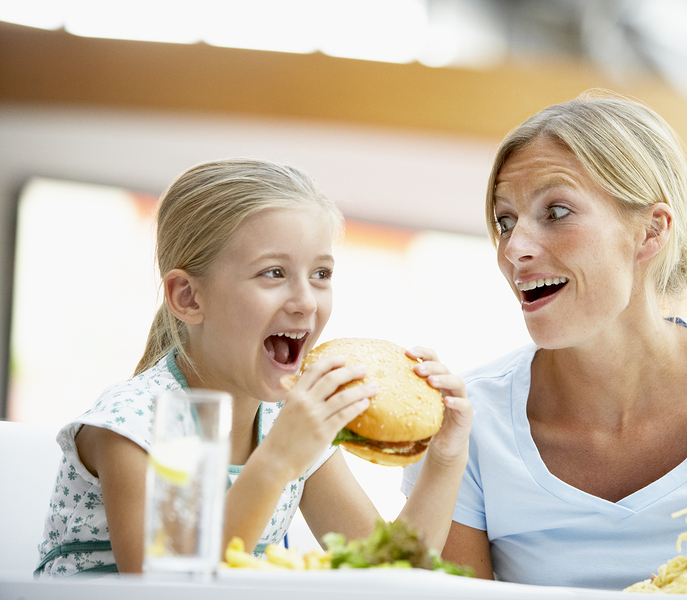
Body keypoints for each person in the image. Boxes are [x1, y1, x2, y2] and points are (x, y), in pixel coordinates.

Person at [402, 90, 687, 590]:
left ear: (651, 231)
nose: (514, 249)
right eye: (505, 221)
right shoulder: (468, 425)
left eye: (556, 212)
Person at [36, 158, 472, 577]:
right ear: (188, 297)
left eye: (321, 274)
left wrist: (446, 459)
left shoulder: (286, 421)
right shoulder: (136, 422)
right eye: (274, 273)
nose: (305, 302)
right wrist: (279, 458)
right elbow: (168, 586)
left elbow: (390, 571)